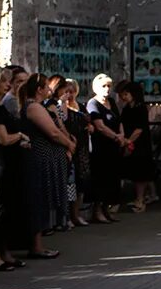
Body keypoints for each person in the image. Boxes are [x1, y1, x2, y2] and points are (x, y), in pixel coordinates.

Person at [0, 66, 31, 270]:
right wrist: (19, 137)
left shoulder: (0, 108)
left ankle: (5, 252)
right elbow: (3, 139)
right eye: (3, 81)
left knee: (9, 208)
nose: (8, 85)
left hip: (10, 163)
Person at [21, 73, 72, 256]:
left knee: (42, 201)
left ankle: (38, 244)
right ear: (39, 89)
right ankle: (36, 246)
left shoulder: (40, 106)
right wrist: (69, 144)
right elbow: (53, 132)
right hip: (39, 160)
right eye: (46, 86)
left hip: (46, 157)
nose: (49, 90)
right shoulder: (33, 107)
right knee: (39, 200)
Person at [87, 74, 124, 223]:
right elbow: (100, 126)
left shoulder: (112, 102)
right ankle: (97, 211)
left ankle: (107, 209)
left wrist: (122, 135)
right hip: (101, 148)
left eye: (109, 86)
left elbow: (119, 120)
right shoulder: (93, 104)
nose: (107, 89)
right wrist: (116, 136)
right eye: (104, 86)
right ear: (96, 88)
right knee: (101, 179)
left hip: (114, 148)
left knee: (112, 179)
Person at [58, 79, 93, 227]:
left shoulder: (81, 107)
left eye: (72, 91)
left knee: (82, 182)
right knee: (70, 183)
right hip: (70, 147)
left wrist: (90, 126)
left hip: (83, 149)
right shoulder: (61, 108)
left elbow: (88, 121)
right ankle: (69, 215)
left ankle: (77, 213)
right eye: (67, 91)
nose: (70, 94)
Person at [117, 81, 152, 212]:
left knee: (141, 173)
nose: (123, 97)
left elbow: (139, 129)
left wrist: (128, 142)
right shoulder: (127, 108)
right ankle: (139, 198)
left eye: (125, 94)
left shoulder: (140, 107)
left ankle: (140, 200)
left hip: (140, 144)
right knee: (134, 172)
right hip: (130, 141)